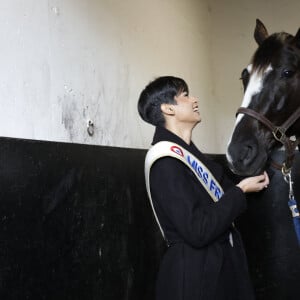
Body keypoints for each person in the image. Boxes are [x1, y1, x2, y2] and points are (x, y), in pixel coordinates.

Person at [137, 76, 269, 300]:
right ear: (168, 108)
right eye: (185, 95)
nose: (194, 100)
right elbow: (198, 230)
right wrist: (240, 190)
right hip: (196, 278)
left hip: (221, 269)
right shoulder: (165, 161)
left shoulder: (197, 158)